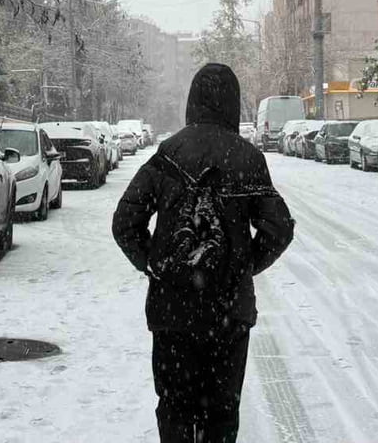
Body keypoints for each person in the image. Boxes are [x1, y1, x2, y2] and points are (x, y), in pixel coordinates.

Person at [112, 63, 295, 442]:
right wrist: (242, 265)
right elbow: (279, 228)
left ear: (192, 101)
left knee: (175, 405)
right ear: (232, 103)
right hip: (227, 311)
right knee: (222, 411)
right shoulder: (247, 158)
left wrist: (155, 264)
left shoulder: (166, 154)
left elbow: (125, 223)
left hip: (171, 309)